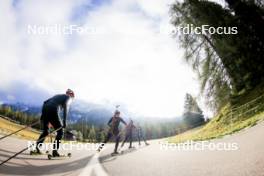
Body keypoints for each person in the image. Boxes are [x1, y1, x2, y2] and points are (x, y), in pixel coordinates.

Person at [34, 89, 75, 156]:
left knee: (46, 131)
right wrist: (64, 122)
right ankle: (55, 151)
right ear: (71, 95)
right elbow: (66, 108)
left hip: (45, 109)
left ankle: (37, 148)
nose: (72, 99)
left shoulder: (57, 96)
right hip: (53, 109)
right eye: (73, 97)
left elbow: (45, 102)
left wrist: (42, 116)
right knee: (60, 132)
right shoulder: (68, 98)